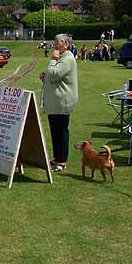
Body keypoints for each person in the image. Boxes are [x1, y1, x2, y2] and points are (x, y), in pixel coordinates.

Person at [39, 34, 78, 173]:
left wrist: (53, 59)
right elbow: (52, 75)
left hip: (62, 102)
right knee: (55, 132)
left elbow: (54, 73)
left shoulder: (67, 58)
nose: (54, 44)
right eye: (54, 41)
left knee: (61, 132)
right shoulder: (62, 58)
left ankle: (62, 161)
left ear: (66, 44)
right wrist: (45, 76)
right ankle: (57, 158)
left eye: (58, 42)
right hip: (55, 103)